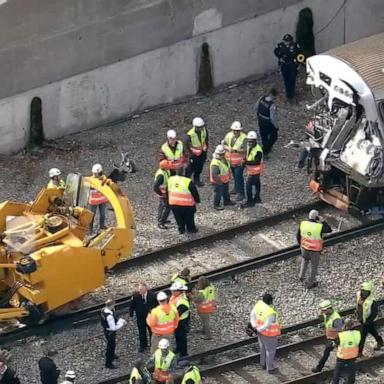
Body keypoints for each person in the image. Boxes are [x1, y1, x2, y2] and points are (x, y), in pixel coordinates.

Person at [297, 209, 332, 289]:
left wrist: (301, 245)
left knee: (305, 261)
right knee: (313, 266)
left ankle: (301, 277)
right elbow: (329, 229)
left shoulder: (303, 224)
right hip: (314, 250)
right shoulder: (319, 227)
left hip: (304, 248)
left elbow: (298, 236)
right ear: (317, 217)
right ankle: (310, 283)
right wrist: (322, 221)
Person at [250, 293, 281, 374]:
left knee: (262, 348)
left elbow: (252, 315)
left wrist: (255, 327)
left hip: (260, 334)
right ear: (270, 301)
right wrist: (259, 330)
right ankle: (270, 368)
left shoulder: (259, 304)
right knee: (270, 351)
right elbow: (267, 324)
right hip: (269, 335)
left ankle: (263, 364)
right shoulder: (270, 312)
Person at [312, 300, 343, 373]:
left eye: (324, 311)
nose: (323, 312)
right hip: (331, 339)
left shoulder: (336, 319)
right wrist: (320, 315)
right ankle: (319, 367)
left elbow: (340, 331)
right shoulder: (327, 314)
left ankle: (341, 366)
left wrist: (335, 341)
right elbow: (323, 319)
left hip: (336, 340)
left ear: (329, 309)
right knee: (326, 353)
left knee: (340, 353)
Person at [168, 169, 200, 234]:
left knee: (178, 217)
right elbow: (194, 192)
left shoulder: (170, 179)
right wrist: (197, 200)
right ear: (184, 173)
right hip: (187, 204)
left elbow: (167, 189)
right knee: (189, 217)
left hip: (174, 203)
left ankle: (181, 229)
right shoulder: (187, 181)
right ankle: (190, 229)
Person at [356, 281, 384, 354]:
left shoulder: (372, 302)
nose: (363, 293)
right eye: (362, 291)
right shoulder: (359, 296)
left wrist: (368, 322)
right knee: (373, 331)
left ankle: (359, 352)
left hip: (367, 321)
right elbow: (359, 306)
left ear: (369, 292)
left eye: (365, 291)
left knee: (362, 336)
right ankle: (380, 342)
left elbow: (374, 313)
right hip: (363, 319)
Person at [130, 283, 158, 353]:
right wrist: (131, 314)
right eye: (139, 289)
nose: (140, 291)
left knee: (151, 331)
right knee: (141, 331)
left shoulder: (153, 295)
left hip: (150, 317)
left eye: (141, 289)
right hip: (140, 317)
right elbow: (132, 305)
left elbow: (157, 305)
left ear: (146, 288)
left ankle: (153, 344)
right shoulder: (135, 296)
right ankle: (143, 345)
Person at [222, 121, 247, 201]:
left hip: (240, 162)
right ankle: (236, 188)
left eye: (237, 130)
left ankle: (241, 193)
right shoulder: (229, 136)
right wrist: (228, 148)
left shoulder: (244, 138)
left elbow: (247, 149)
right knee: (235, 176)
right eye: (234, 130)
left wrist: (237, 151)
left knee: (238, 176)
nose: (236, 132)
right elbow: (224, 144)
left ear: (240, 130)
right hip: (231, 161)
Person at [274, 34, 302, 101]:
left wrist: (298, 64)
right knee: (286, 80)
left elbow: (300, 55)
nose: (287, 42)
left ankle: (292, 95)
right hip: (284, 65)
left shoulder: (295, 46)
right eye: (285, 41)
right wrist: (280, 56)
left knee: (292, 80)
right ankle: (288, 94)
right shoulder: (280, 45)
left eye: (288, 41)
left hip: (292, 65)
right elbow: (276, 52)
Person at [332, 318, 361, 384]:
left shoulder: (341, 335)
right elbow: (359, 343)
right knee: (351, 371)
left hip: (342, 357)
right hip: (352, 356)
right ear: (353, 324)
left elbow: (335, 344)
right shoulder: (357, 334)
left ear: (344, 325)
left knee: (337, 371)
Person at [100, 299, 127, 369]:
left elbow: (115, 318)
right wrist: (122, 324)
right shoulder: (109, 316)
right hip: (110, 332)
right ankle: (108, 363)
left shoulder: (103, 310)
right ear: (111, 305)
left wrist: (120, 320)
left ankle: (112, 355)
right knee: (110, 346)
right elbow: (113, 328)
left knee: (113, 344)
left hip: (107, 330)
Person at [241, 131, 264, 208]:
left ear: (255, 141)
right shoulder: (249, 147)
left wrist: (246, 162)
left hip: (255, 171)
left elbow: (256, 161)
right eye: (249, 141)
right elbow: (247, 155)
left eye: (251, 141)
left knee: (248, 186)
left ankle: (250, 201)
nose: (250, 143)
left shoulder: (258, 150)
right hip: (251, 171)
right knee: (257, 184)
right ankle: (257, 198)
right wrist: (245, 160)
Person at [209, 145, 235, 210]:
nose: (222, 155)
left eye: (223, 154)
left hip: (224, 180)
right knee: (218, 193)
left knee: (225, 191)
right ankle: (216, 204)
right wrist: (219, 182)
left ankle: (227, 201)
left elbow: (226, 168)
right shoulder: (215, 162)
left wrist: (228, 176)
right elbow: (214, 174)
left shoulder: (223, 159)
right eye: (221, 154)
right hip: (218, 181)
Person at [185, 117, 208, 187]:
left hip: (202, 153)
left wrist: (206, 147)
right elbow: (186, 145)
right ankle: (186, 182)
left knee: (199, 167)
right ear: (195, 127)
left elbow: (206, 139)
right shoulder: (190, 134)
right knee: (190, 168)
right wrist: (191, 153)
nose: (201, 128)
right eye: (199, 127)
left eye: (202, 127)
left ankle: (196, 180)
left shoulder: (204, 130)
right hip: (194, 154)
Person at [255, 88, 278, 156]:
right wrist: (276, 126)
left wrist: (259, 116)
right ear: (273, 95)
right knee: (274, 136)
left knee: (263, 135)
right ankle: (266, 149)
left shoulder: (261, 99)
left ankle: (264, 148)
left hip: (260, 119)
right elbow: (273, 117)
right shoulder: (272, 105)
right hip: (268, 122)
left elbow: (256, 108)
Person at [169, 283, 190, 357]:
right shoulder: (175, 297)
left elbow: (178, 313)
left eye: (173, 290)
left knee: (182, 338)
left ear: (179, 291)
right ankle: (178, 348)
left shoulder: (183, 302)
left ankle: (184, 354)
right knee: (177, 336)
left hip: (182, 322)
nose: (172, 292)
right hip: (177, 321)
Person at [88, 163, 108, 233]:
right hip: (93, 201)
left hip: (102, 200)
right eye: (94, 173)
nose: (94, 174)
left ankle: (102, 226)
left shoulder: (104, 178)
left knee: (102, 214)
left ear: (100, 172)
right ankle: (90, 229)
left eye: (96, 173)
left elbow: (107, 187)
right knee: (91, 215)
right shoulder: (90, 180)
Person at [154, 160, 172, 230]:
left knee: (161, 206)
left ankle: (161, 219)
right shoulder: (161, 176)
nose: (170, 166)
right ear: (165, 167)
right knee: (167, 207)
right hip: (163, 193)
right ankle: (161, 222)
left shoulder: (165, 171)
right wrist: (161, 193)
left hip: (165, 192)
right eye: (168, 166)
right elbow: (155, 187)